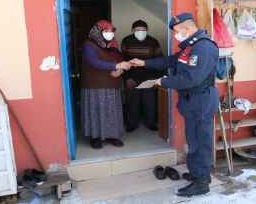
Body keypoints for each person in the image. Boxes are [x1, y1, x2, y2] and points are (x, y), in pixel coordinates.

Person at [130, 13, 219, 197]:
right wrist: (144, 62)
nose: (175, 35)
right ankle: (199, 174)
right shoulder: (190, 47)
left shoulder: (203, 48)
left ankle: (201, 182)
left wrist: (163, 82)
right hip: (192, 101)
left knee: (199, 143)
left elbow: (191, 78)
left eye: (177, 31)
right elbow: (170, 60)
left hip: (200, 101)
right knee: (194, 140)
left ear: (187, 28)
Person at [81, 20, 131, 149]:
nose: (110, 34)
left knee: (112, 111)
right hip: (95, 85)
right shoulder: (89, 45)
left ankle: (112, 136)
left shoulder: (113, 45)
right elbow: (94, 62)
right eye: (106, 31)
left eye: (111, 31)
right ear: (98, 32)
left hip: (112, 84)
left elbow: (120, 59)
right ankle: (95, 138)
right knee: (96, 111)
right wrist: (116, 65)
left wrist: (119, 70)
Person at [121, 20, 163, 132]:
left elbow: (159, 60)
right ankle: (131, 124)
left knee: (150, 102)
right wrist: (127, 78)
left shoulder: (153, 42)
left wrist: (156, 79)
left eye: (143, 30)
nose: (140, 32)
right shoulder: (126, 41)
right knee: (132, 102)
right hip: (131, 77)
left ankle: (151, 123)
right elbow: (122, 60)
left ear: (147, 30)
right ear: (132, 30)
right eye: (137, 30)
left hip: (149, 76)